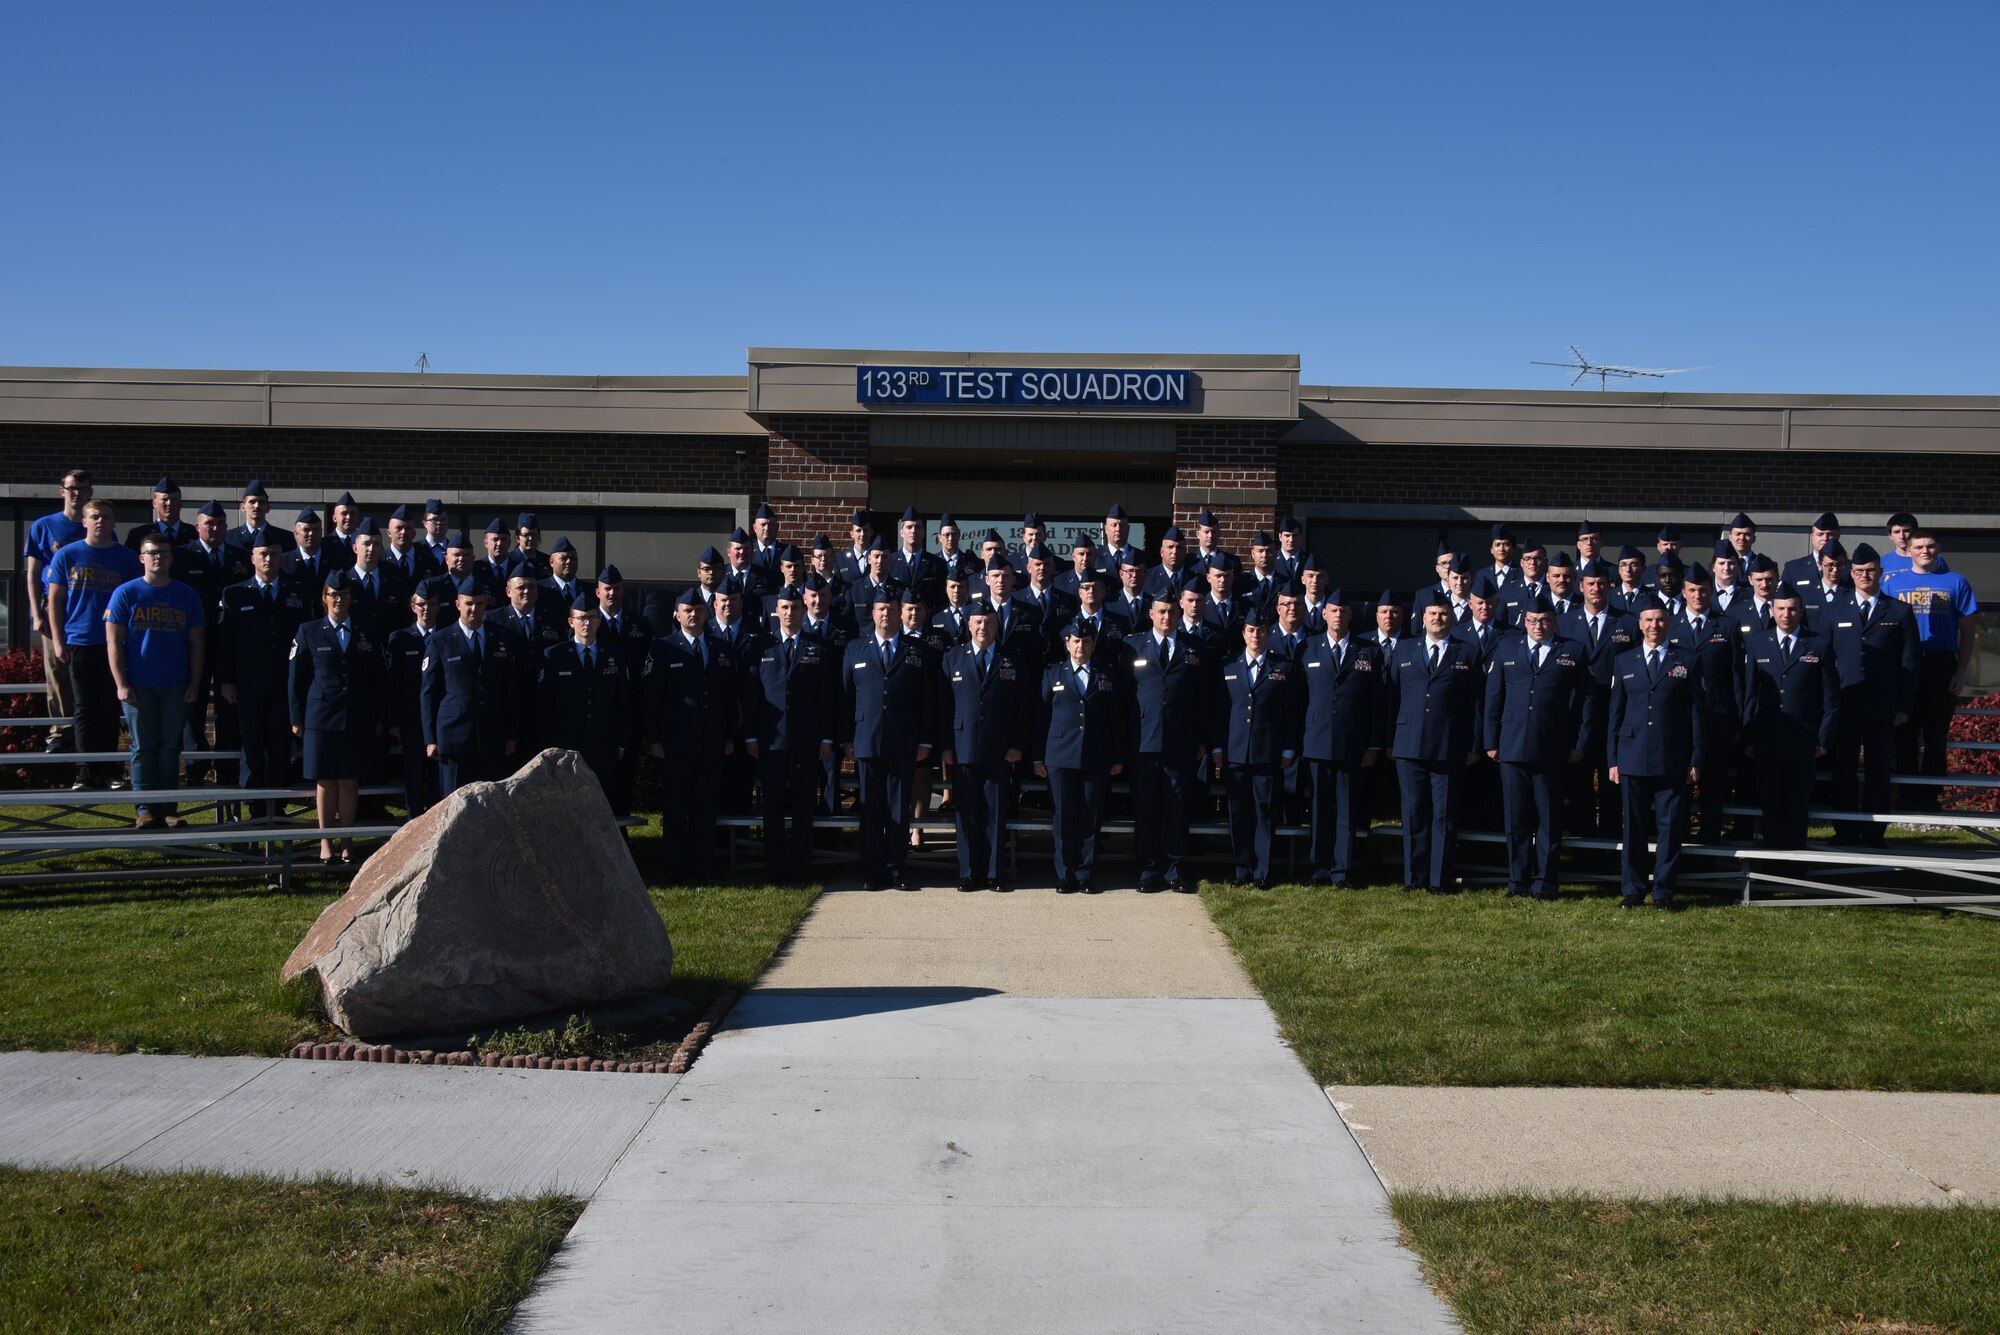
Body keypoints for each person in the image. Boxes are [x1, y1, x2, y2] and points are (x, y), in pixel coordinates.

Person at [1483, 594, 1591, 900]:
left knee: (1548, 820)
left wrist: (1580, 743)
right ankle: (1517, 881)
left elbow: (1587, 702)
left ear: (1554, 621)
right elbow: (1494, 697)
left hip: (1552, 748)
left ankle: (1545, 883)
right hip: (1512, 747)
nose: (1538, 626)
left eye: (1544, 620)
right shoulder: (1506, 647)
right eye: (1532, 621)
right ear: (1524, 621)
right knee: (1516, 821)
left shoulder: (1572, 650)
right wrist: (1490, 740)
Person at [1817, 544, 1918, 846]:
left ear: (1880, 573)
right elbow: (1824, 658)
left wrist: (1904, 706)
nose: (1864, 576)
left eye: (1870, 570)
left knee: (1878, 771)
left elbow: (1909, 662)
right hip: (1845, 704)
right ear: (1851, 572)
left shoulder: (1899, 610)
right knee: (1844, 769)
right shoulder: (1835, 609)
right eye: (1859, 571)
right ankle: (1845, 830)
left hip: (1882, 705)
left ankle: (1875, 834)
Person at [104, 534, 205, 827]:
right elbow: (113, 643)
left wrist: (194, 684)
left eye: (163, 552)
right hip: (138, 684)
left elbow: (198, 644)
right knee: (143, 748)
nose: (158, 557)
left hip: (175, 683)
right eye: (152, 552)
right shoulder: (125, 593)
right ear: (142, 558)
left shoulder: (187, 595)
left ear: (172, 558)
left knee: (170, 749)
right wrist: (121, 683)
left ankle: (168, 808)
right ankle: (145, 809)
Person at [1385, 590, 1483, 893]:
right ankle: (1414, 878)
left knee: (1444, 815)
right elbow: (1390, 698)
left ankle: (1439, 880)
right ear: (1422, 618)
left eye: (1443, 614)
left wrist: (1474, 744)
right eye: (1432, 614)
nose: (1438, 619)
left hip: (1449, 745)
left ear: (1451, 618)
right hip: (1409, 744)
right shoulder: (1403, 650)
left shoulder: (1467, 652)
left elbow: (1476, 703)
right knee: (1413, 813)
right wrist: (1388, 740)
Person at [1608, 605, 1703, 907]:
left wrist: (1696, 758)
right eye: (1648, 619)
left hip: (1671, 755)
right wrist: (1612, 759)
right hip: (1632, 756)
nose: (1654, 625)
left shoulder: (1686, 659)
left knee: (1670, 827)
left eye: (1660, 619)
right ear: (1639, 624)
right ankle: (1632, 890)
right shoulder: (1625, 660)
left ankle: (1663, 891)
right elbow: (1616, 713)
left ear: (1669, 623)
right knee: (1634, 828)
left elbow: (1697, 713)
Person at [44, 499, 144, 789]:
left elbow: (135, 603)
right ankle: (86, 771)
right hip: (80, 640)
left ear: (114, 522)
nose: (101, 521)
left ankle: (110, 769)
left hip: (116, 644)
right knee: (85, 707)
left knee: (111, 708)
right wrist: (59, 640)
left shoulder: (126, 558)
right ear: (84, 522)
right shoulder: (66, 556)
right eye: (95, 517)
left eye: (107, 517)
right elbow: (55, 601)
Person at [739, 586, 836, 883]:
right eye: (784, 607)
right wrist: (751, 737)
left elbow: (827, 698)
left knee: (803, 806)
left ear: (802, 609)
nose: (789, 613)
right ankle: (776, 867)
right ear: (776, 611)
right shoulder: (761, 648)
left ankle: (799, 867)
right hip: (770, 741)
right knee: (773, 807)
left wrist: (827, 737)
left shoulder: (818, 646)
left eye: (794, 607)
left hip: (806, 742)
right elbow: (751, 697)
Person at [841, 586, 935, 890]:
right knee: (870, 809)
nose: (886, 614)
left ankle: (895, 869)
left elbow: (927, 700)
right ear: (873, 613)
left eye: (892, 609)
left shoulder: (917, 651)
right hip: (866, 740)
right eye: (881, 609)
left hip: (903, 741)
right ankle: (872, 870)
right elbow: (844, 698)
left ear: (900, 613)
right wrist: (846, 739)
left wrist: (925, 740)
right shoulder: (855, 649)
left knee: (897, 808)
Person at [290, 569, 385, 863]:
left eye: (344, 595)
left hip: (356, 716)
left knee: (349, 781)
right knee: (325, 781)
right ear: (324, 598)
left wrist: (379, 715)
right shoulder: (308, 630)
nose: (339, 600)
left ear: (351, 598)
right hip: (320, 717)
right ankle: (325, 842)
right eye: (333, 595)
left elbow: (377, 678)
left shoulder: (366, 631)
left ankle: (347, 841)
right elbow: (296, 677)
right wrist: (297, 718)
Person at [645, 589, 738, 883]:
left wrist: (729, 736)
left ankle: (702, 866)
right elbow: (651, 698)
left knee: (705, 807)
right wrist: (654, 739)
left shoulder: (721, 648)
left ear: (707, 613)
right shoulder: (663, 648)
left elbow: (728, 698)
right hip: (676, 744)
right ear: (677, 615)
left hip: (711, 742)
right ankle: (675, 868)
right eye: (687, 610)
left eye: (698, 610)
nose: (693, 615)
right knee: (675, 808)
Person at [1741, 587, 1839, 849]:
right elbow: (1750, 694)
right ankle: (1772, 864)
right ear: (1772, 611)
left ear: (1801, 611)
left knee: (1797, 806)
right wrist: (1749, 736)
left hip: (1804, 741)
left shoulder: (1819, 644)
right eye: (1781, 609)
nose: (1787, 614)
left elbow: (1830, 698)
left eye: (1792, 609)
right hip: (1768, 739)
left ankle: (1794, 864)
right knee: (1771, 803)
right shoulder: (1757, 642)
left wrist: (1823, 738)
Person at [1298, 598, 1385, 887]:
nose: (1338, 615)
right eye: (1333, 610)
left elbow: (1377, 703)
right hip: (1317, 741)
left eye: (1343, 610)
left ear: (1351, 614)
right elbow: (1299, 699)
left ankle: (1342, 870)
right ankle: (1320, 867)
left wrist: (1373, 745)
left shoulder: (1368, 651)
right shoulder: (1308, 647)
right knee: (1320, 809)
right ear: (1324, 614)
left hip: (1352, 744)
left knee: (1347, 809)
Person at [1035, 618, 1126, 892]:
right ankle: (1065, 873)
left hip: (1096, 755)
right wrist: (1037, 757)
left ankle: (1085, 872)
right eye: (1076, 641)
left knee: (1090, 816)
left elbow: (1117, 718)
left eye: (1086, 642)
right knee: (1063, 817)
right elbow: (1041, 718)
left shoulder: (1107, 674)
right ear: (1067, 644)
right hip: (1060, 756)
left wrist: (1119, 756)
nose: (1081, 646)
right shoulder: (1053, 674)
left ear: (1093, 644)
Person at [1212, 607, 1298, 890]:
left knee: (1264, 811)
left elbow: (1290, 711)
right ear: (1243, 634)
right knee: (1238, 812)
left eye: (1261, 631)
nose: (1256, 635)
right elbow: (1220, 712)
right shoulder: (1229, 667)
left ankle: (1262, 871)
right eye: (1251, 630)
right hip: (1235, 752)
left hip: (1267, 751)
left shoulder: (1282, 667)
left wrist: (1287, 748)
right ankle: (1242, 869)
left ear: (1268, 633)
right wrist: (1217, 748)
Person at [1883, 530, 1977, 786]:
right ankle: (1907, 796)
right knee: (1904, 734)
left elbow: (1968, 633)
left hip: (1941, 664)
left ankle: (1930, 798)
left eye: (1930, 546)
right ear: (1909, 551)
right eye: (1919, 547)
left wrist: (1960, 672)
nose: (1925, 551)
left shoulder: (1956, 582)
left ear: (1939, 549)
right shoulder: (1892, 584)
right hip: (1905, 665)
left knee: (1936, 737)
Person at [215, 537, 309, 789]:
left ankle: (277, 803)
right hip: (248, 683)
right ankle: (254, 802)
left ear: (282, 557)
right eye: (264, 554)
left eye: (275, 554)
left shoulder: (298, 591)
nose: (269, 559)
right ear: (252, 558)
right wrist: (225, 680)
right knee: (251, 745)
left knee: (281, 745)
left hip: (284, 684)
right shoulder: (234, 593)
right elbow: (226, 642)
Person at [421, 576, 521, 798]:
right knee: (453, 805)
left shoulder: (502, 638)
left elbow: (510, 690)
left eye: (479, 603)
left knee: (491, 803)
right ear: (458, 605)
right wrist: (431, 739)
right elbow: (428, 693)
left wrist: (511, 733)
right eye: (469, 603)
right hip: (454, 737)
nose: (474, 608)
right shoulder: (441, 640)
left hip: (492, 735)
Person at [1560, 561, 1638, 837]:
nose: (1596, 588)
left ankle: (1608, 843)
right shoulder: (1564, 621)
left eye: (1601, 583)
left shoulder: (1628, 622)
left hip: (1613, 714)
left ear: (1610, 586)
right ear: (1580, 587)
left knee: (1611, 782)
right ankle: (1583, 843)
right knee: (1579, 781)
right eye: (1590, 583)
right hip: (1577, 715)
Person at [1670, 563, 1744, 843]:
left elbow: (1736, 678)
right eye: (1692, 590)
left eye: (1703, 590)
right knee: (1680, 788)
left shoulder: (1727, 626)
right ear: (1684, 592)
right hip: (1680, 720)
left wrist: (1736, 722)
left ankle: (1710, 842)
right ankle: (1679, 843)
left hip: (1717, 720)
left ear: (1711, 591)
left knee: (1713, 788)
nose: (1698, 595)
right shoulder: (1670, 624)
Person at [539, 592, 632, 814]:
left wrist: (621, 742)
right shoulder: (554, 655)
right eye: (581, 618)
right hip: (566, 743)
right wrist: (546, 745)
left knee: (601, 800)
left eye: (592, 617)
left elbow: (624, 702)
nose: (587, 623)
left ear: (599, 620)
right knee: (566, 803)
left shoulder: (615, 654)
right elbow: (545, 705)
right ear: (571, 622)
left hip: (603, 742)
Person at [23, 468, 92, 755]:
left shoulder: (94, 525)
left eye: (83, 488)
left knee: (85, 671)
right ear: (61, 491)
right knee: (56, 668)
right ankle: (60, 731)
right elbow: (32, 572)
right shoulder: (44, 526)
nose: (77, 493)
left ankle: (83, 730)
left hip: (85, 607)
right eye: (72, 487)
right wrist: (36, 614)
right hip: (54, 607)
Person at [385, 583, 441, 816]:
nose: (426, 608)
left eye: (431, 604)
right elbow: (391, 684)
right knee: (414, 775)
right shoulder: (400, 639)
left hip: (440, 718)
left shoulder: (448, 636)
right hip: (411, 719)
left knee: (438, 777)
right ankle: (413, 823)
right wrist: (392, 721)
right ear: (412, 607)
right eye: (421, 604)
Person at [124, 475, 195, 552]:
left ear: (181, 504)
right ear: (154, 503)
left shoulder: (194, 533)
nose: (169, 503)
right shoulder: (138, 534)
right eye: (164, 499)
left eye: (174, 499)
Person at [226, 480, 295, 554]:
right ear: (242, 507)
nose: (257, 506)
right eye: (252, 502)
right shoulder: (229, 538)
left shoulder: (285, 538)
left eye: (261, 502)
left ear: (268, 507)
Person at [1783, 513, 1843, 587]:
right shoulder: (1793, 569)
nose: (1825, 539)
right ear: (1811, 537)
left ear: (1838, 536)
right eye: (1820, 534)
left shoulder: (1851, 569)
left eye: (1830, 534)